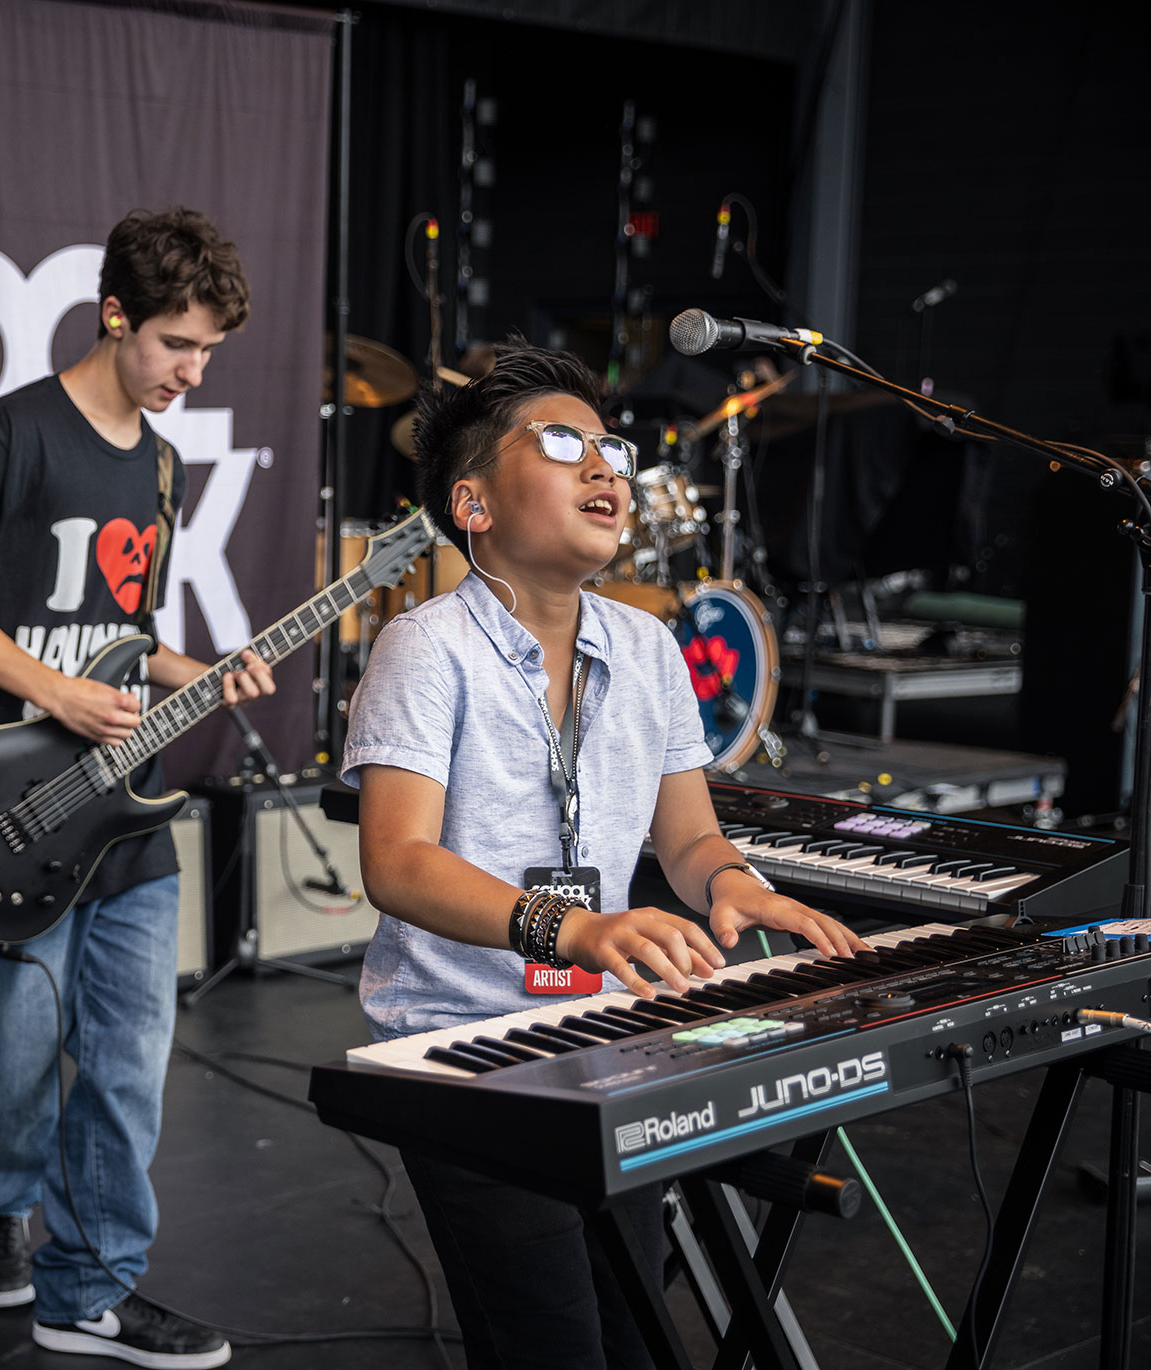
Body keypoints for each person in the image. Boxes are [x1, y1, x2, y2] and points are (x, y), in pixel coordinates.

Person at [342, 344, 866, 1369]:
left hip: (601, 1031)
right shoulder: (425, 645)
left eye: (610, 447)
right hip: (464, 1049)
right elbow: (395, 863)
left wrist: (739, 888)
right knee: (552, 1341)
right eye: (561, 443)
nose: (603, 467)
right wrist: (576, 924)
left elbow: (687, 835)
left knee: (631, 1328)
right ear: (473, 503)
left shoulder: (645, 646)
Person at [0, 207, 270, 1369]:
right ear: (115, 315)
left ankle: (90, 1284)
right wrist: (48, 692)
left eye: (207, 351)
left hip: (125, 809)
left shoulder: (158, 462)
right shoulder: (12, 431)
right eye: (174, 345)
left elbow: (125, 628)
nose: (191, 373)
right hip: (5, 805)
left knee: (126, 1056)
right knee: (9, 1055)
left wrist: (195, 669)